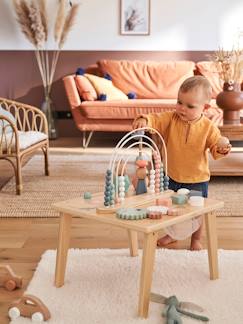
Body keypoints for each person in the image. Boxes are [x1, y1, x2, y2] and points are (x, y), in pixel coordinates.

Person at [132, 76, 231, 250]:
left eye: (190, 106)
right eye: (179, 102)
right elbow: (155, 119)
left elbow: (216, 147)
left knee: (196, 211)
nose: (182, 109)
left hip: (197, 178)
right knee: (171, 209)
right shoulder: (171, 118)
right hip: (171, 175)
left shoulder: (209, 127)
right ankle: (172, 235)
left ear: (205, 107)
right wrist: (144, 120)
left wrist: (222, 147)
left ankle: (196, 239)